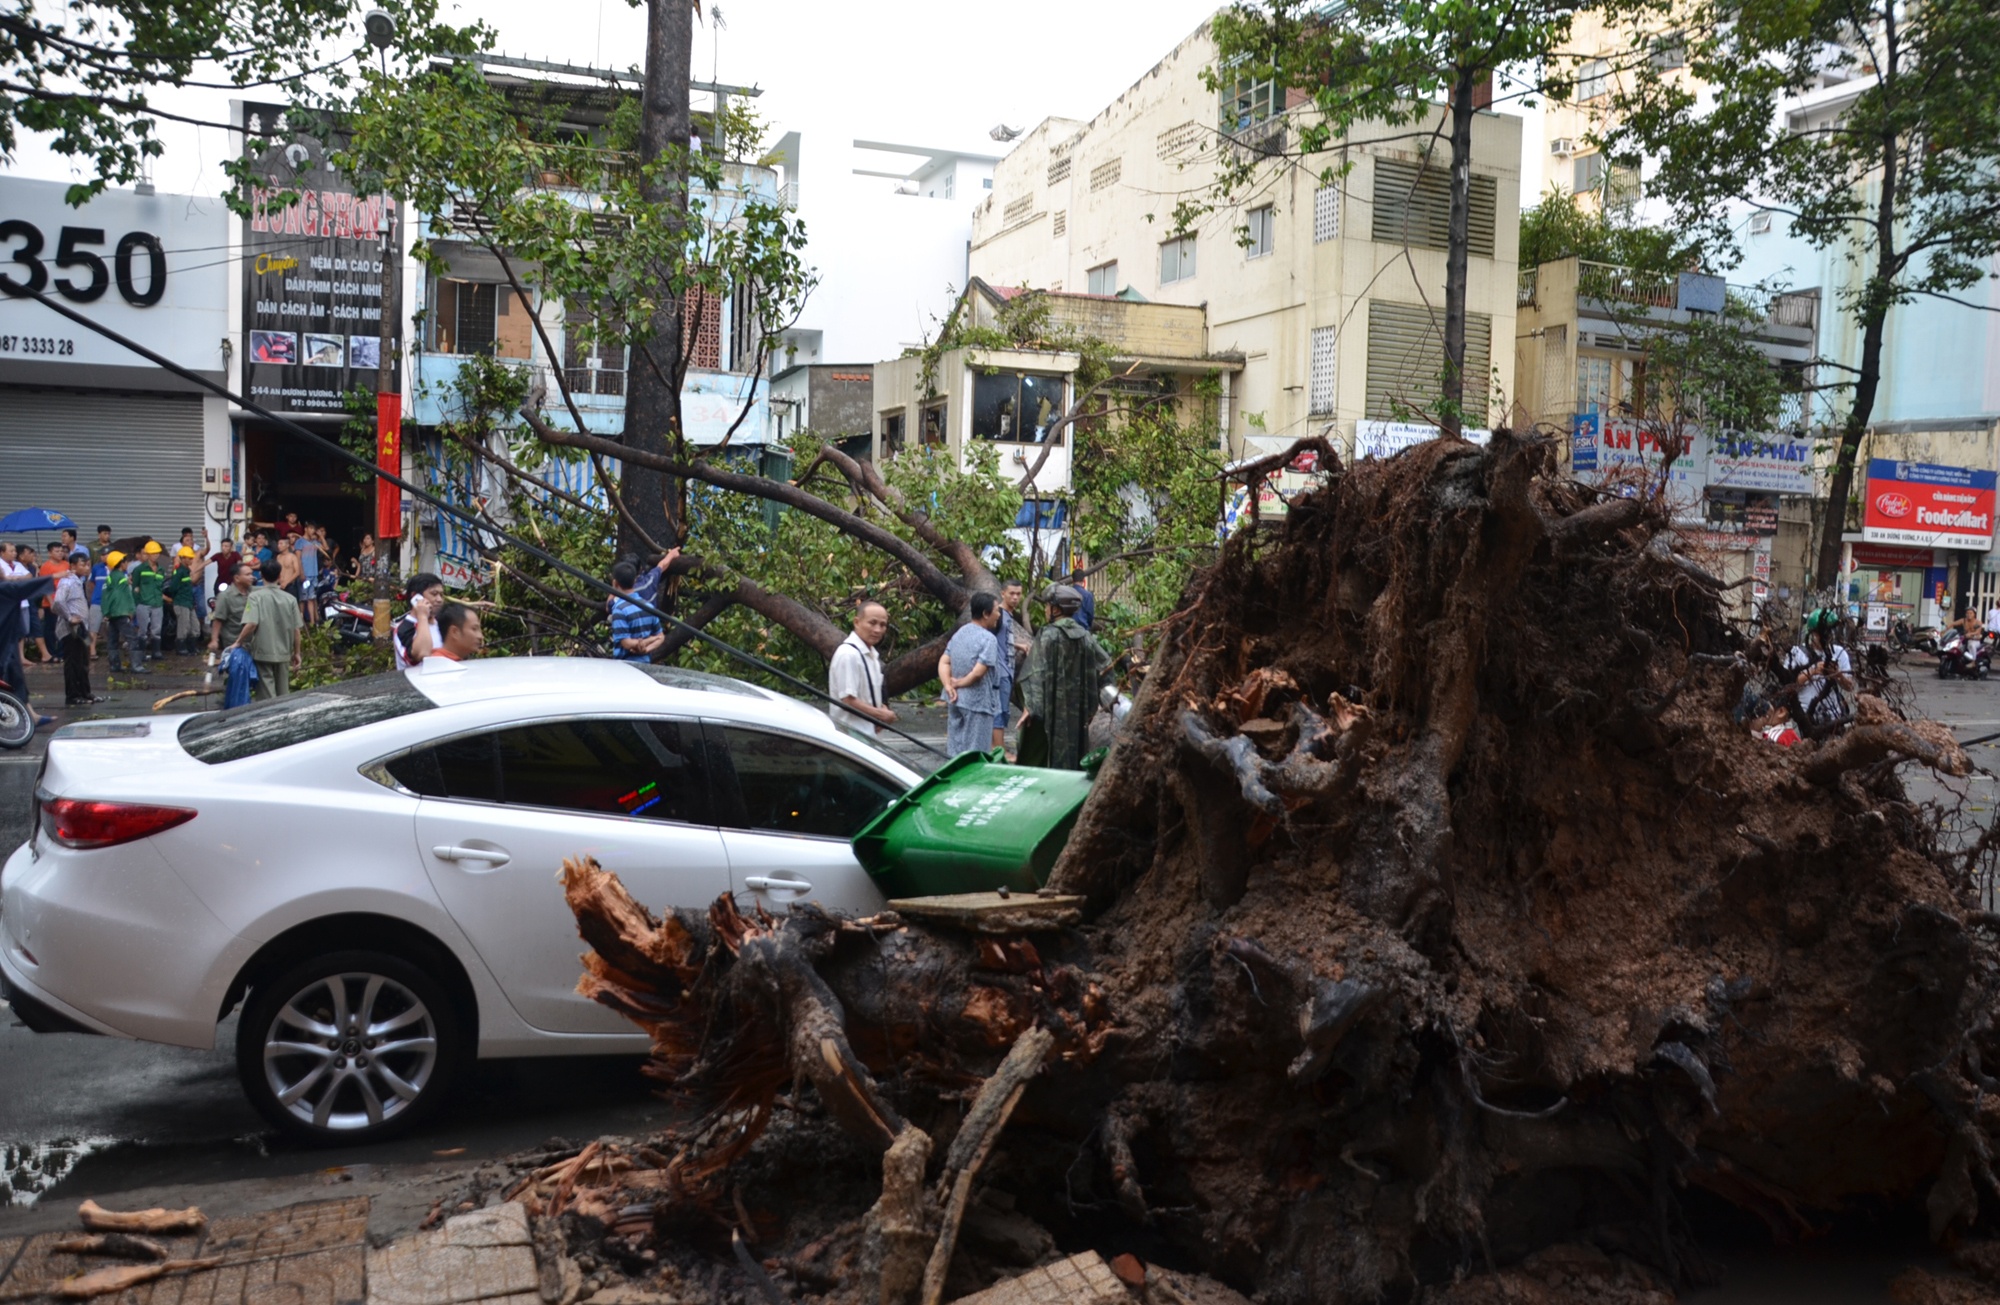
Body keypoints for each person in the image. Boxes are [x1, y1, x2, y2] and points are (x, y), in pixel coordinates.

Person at [1015, 584, 1114, 770]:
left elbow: (1035, 672)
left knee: (1050, 749)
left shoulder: (1047, 635)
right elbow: (1106, 665)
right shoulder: (1085, 636)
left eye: (1047, 606)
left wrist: (1030, 706)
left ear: (1056, 609)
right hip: (1079, 709)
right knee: (1077, 749)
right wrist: (1103, 699)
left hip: (1052, 709)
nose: (1045, 610)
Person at [939, 592, 1003, 756]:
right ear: (985, 614)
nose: (999, 614)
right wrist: (958, 683)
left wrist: (948, 685)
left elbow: (944, 662)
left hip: (955, 699)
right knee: (976, 753)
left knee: (955, 749)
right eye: (996, 610)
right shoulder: (988, 639)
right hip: (978, 702)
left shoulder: (960, 633)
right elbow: (978, 673)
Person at [234, 560, 302, 699]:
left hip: (263, 654)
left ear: (261, 575)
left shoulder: (255, 597)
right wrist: (297, 653)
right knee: (283, 695)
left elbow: (251, 623)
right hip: (283, 654)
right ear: (279, 576)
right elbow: (296, 630)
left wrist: (238, 642)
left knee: (267, 698)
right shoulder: (290, 599)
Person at [828, 601, 896, 739]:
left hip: (867, 735)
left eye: (882, 625)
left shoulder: (870, 654)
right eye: (872, 623)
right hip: (851, 736)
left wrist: (882, 708)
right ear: (857, 622)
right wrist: (880, 714)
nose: (877, 630)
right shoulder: (849, 654)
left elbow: (870, 694)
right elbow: (848, 700)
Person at [0, 564, 56, 730]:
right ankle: (30, 715)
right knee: (13, 676)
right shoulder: (6, 589)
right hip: (5, 645)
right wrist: (53, 576)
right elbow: (24, 586)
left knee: (15, 679)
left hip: (7, 643)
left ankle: (31, 715)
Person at [1784, 607, 1854, 738]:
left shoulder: (1839, 653)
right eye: (1820, 633)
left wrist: (1837, 674)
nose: (1825, 637)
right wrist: (1813, 671)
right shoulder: (1796, 653)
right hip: (1807, 716)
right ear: (1812, 633)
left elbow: (1849, 686)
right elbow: (1789, 685)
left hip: (1834, 715)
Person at [52, 551, 99, 707]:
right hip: (70, 628)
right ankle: (72, 696)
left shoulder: (80, 581)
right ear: (72, 566)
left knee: (84, 660)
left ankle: (86, 692)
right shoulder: (68, 582)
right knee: (73, 662)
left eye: (88, 564)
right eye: (83, 565)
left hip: (82, 628)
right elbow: (58, 602)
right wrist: (69, 617)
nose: (86, 568)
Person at [991, 580, 1028, 753]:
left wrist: (1018, 645)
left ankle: (996, 747)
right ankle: (1000, 750)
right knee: (1000, 710)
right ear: (1002, 593)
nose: (1015, 597)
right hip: (1000, 670)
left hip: (1007, 668)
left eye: (1018, 594)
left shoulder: (1007, 615)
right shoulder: (997, 615)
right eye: (1011, 593)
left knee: (1002, 709)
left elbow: (1002, 640)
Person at [609, 560, 666, 660]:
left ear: (615, 583)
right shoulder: (648, 606)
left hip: (624, 665)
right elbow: (660, 637)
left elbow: (626, 643)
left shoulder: (619, 610)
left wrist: (642, 644)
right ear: (634, 581)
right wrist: (648, 647)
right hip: (645, 663)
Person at [392, 573, 445, 667]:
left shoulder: (443, 623)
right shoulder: (404, 629)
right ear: (415, 597)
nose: (439, 599)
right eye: (434, 594)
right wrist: (422, 617)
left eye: (441, 595)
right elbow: (422, 653)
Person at [99, 550, 139, 671]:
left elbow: (106, 597)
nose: (127, 563)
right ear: (121, 564)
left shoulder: (111, 577)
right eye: (125, 561)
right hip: (122, 613)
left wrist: (106, 612)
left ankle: (114, 665)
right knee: (132, 638)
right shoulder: (121, 579)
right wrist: (131, 610)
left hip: (112, 614)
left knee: (112, 640)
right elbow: (125, 597)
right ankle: (137, 666)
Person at [209, 561, 256, 654]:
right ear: (237, 578)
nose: (252, 577)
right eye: (247, 574)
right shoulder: (225, 596)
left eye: (251, 574)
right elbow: (218, 620)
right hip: (234, 643)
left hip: (252, 642)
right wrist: (214, 640)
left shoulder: (254, 592)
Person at [131, 543, 166, 659]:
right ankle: (141, 653)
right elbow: (135, 588)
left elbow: (160, 587)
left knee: (156, 629)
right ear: (148, 554)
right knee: (143, 630)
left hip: (157, 603)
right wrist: (137, 604)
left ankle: (156, 652)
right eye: (153, 553)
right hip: (143, 603)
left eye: (157, 553)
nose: (156, 555)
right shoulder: (139, 569)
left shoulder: (161, 570)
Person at [36, 541, 67, 661]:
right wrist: (51, 602)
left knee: (63, 628)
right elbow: (45, 586)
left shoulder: (66, 564)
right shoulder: (46, 566)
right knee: (51, 628)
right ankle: (51, 653)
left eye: (61, 551)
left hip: (64, 601)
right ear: (50, 553)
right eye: (57, 551)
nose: (60, 554)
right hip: (51, 603)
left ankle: (61, 652)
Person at [166, 548, 199, 654]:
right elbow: (173, 588)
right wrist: (176, 599)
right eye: (189, 558)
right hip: (181, 603)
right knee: (183, 627)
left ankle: (191, 647)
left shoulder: (186, 571)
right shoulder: (179, 571)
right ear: (183, 558)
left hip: (188, 603)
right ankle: (181, 648)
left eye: (192, 558)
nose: (191, 560)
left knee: (195, 627)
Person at [295, 524, 321, 624]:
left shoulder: (315, 542)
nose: (312, 530)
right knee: (302, 599)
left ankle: (312, 622)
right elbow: (298, 558)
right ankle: (301, 622)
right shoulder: (300, 542)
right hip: (305, 574)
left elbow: (326, 548)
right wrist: (301, 572)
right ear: (305, 529)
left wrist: (321, 536)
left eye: (314, 528)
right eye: (311, 528)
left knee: (311, 598)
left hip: (314, 574)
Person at [1069, 565, 1097, 631]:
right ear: (1083, 580)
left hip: (1069, 629)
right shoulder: (1088, 595)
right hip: (1083, 628)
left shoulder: (1067, 593)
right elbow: (1090, 615)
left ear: (1072, 580)